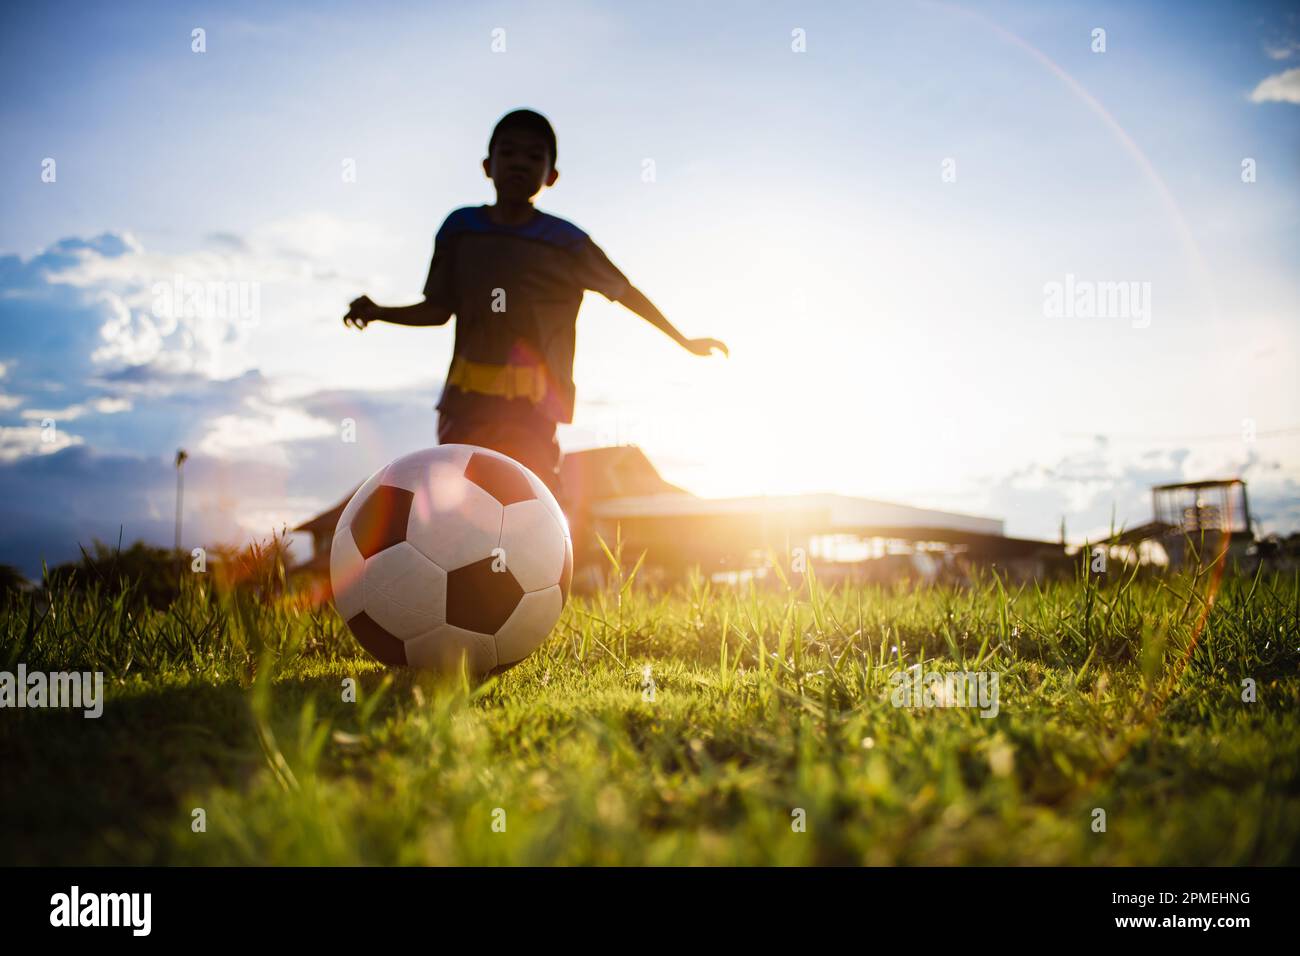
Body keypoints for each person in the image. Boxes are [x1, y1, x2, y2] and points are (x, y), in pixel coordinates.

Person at [342, 108, 727, 502]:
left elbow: (624, 292)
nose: (519, 164)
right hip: (465, 404)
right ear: (487, 166)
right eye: (508, 153)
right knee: (458, 504)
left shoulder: (565, 242)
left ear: (551, 175)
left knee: (530, 504)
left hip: (532, 407)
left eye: (533, 156)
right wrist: (379, 311)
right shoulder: (460, 229)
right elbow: (438, 309)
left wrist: (684, 340)